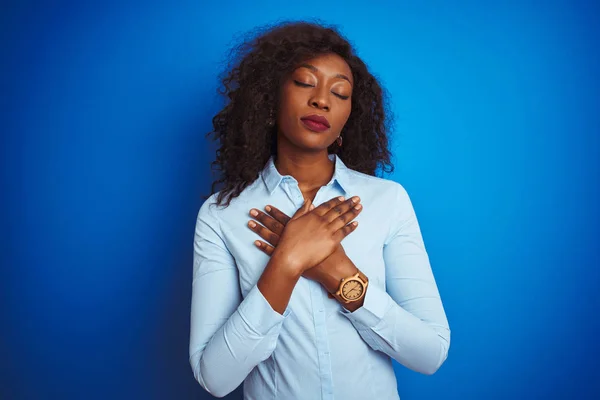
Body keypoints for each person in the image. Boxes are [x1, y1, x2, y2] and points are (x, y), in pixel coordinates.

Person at [189, 20, 450, 400]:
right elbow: (215, 377)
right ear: (268, 98)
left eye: (340, 93)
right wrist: (287, 262)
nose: (322, 100)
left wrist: (339, 274)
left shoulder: (387, 201)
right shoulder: (221, 214)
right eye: (304, 83)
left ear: (349, 116)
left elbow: (430, 353)